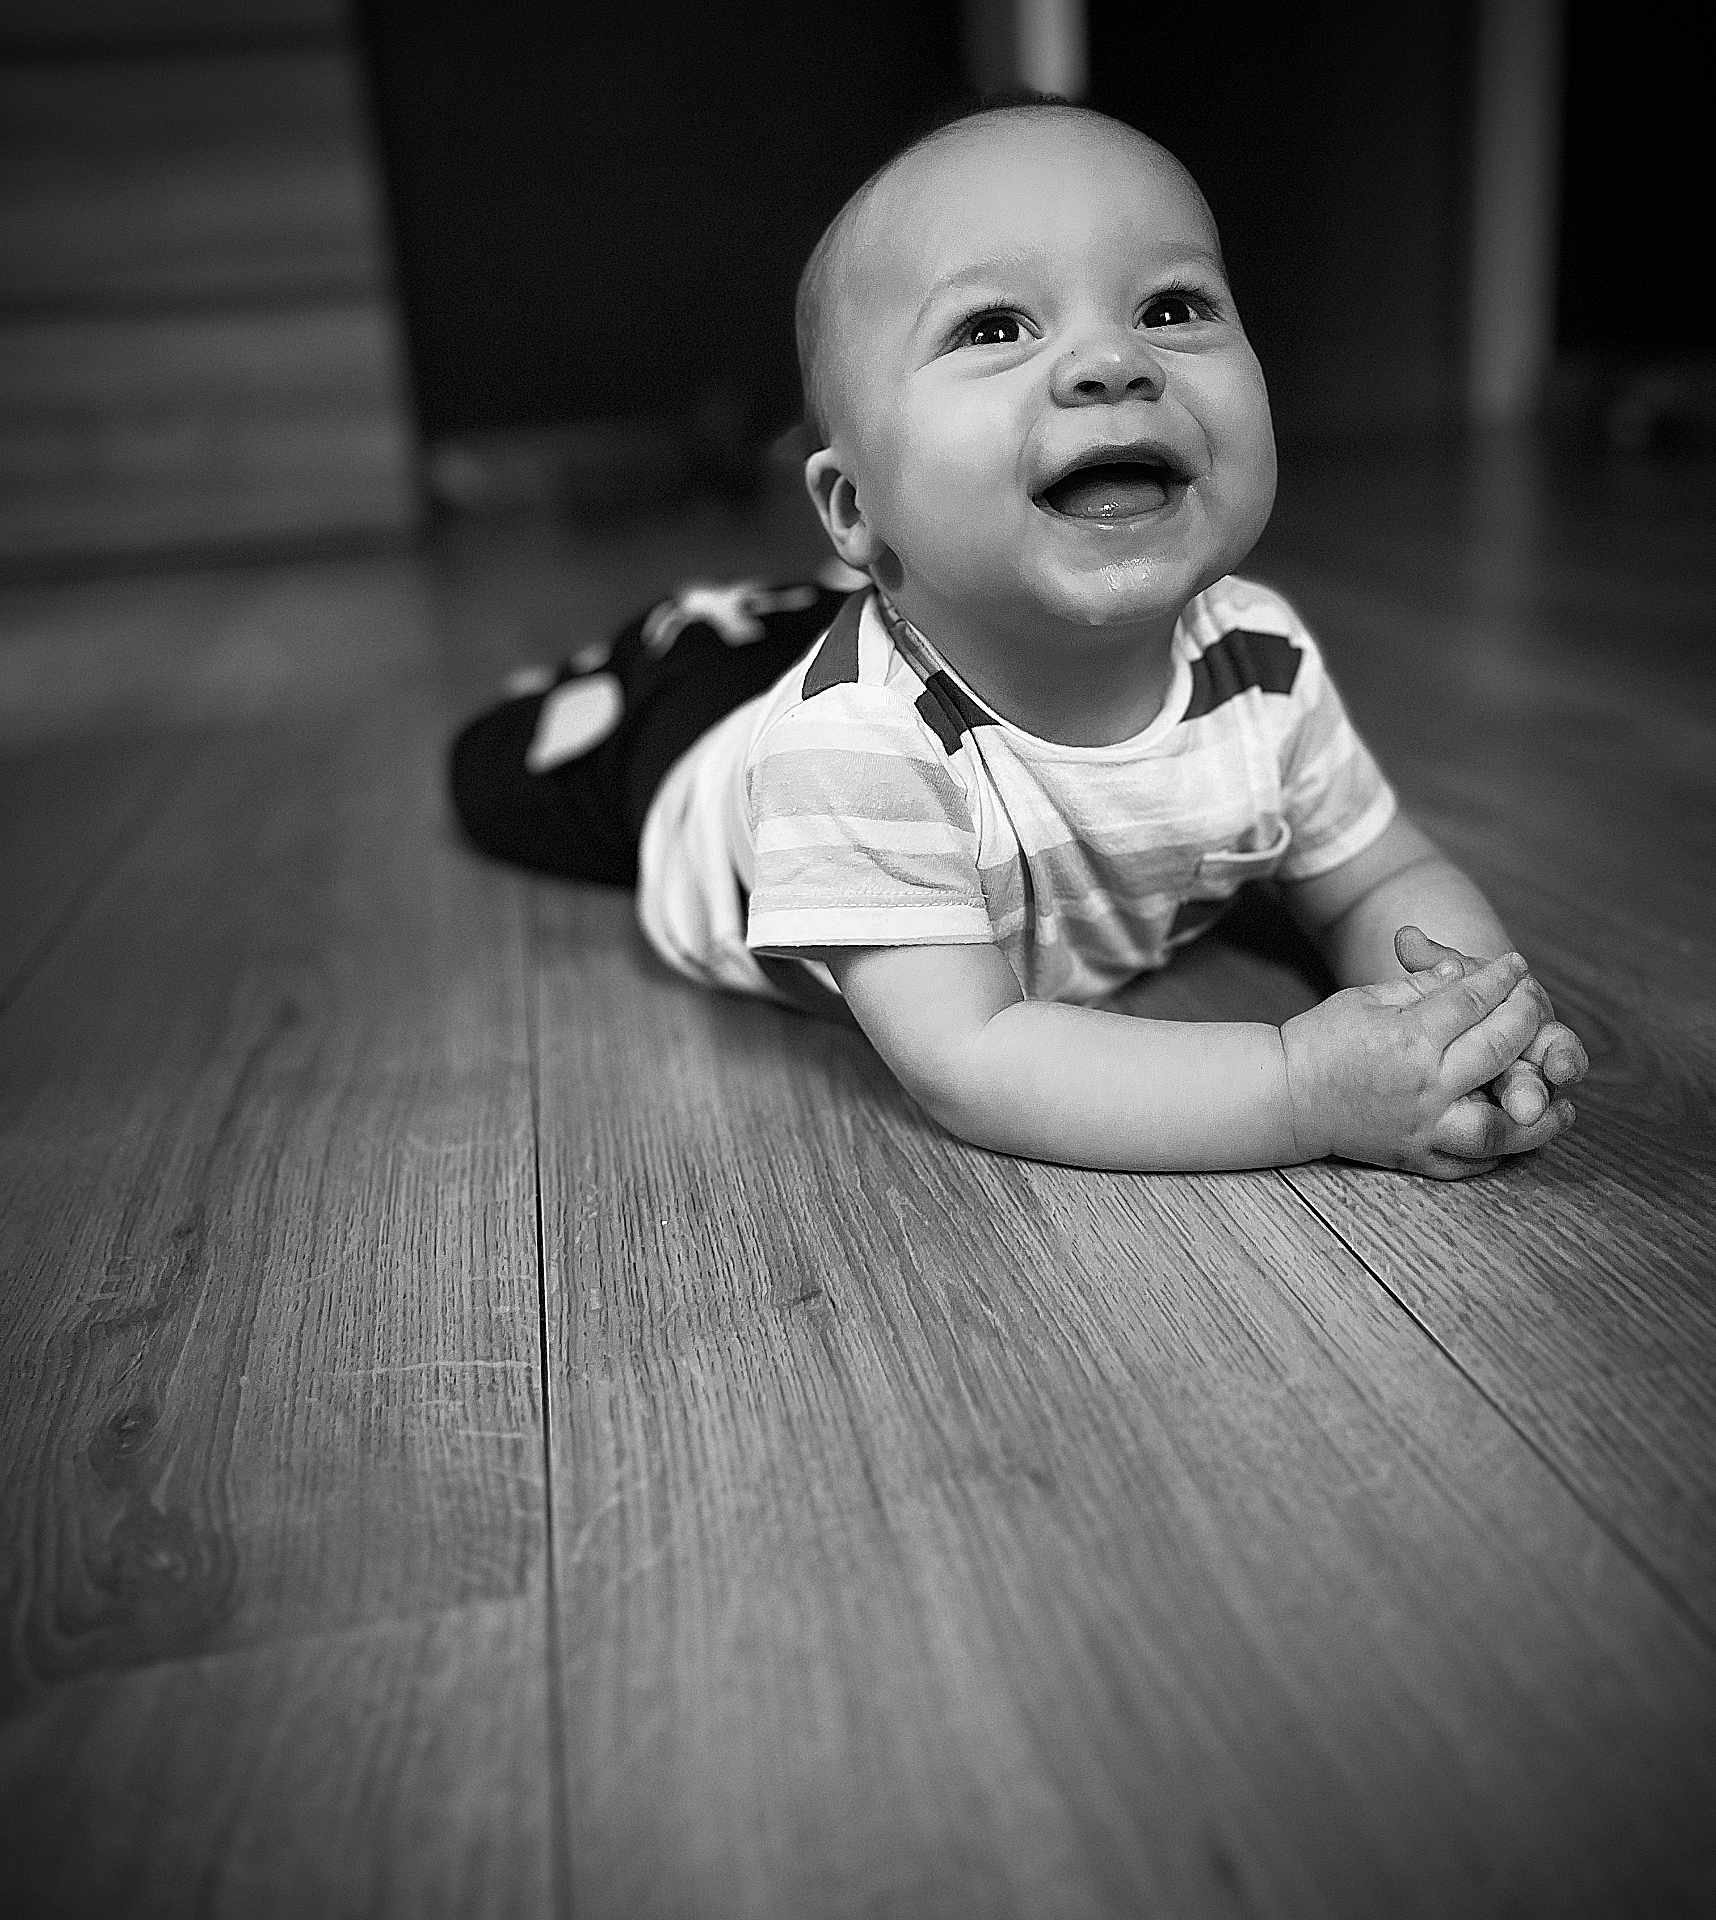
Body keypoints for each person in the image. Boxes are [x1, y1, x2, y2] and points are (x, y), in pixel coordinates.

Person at [451, 96, 1589, 1180]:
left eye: (1172, 308)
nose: (1113, 361)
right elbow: (975, 1056)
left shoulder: (1261, 659)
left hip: (898, 618)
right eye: (995, 326)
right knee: (518, 761)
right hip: (696, 772)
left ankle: (806, 606)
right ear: (855, 505)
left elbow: (1376, 878)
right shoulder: (849, 750)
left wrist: (1470, 1023)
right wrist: (1302, 1087)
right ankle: (679, 641)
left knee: (822, 616)